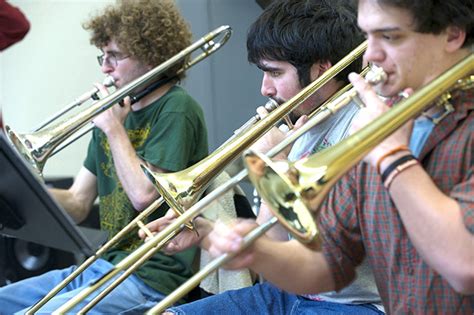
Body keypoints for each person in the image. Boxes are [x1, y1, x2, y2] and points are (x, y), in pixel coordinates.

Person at [205, 0, 474, 313]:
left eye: (389, 37)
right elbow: (326, 264)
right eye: (368, 36)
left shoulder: (382, 131)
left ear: (452, 35)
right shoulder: (388, 118)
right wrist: (255, 251)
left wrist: (391, 155)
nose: (370, 55)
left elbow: (465, 264)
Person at [146, 0, 385, 313]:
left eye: (274, 73)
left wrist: (280, 166)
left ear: (321, 70)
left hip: (353, 303)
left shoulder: (363, 122)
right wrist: (205, 231)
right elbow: (272, 246)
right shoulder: (300, 124)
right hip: (287, 293)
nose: (264, 89)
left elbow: (330, 258)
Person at [0, 0, 209, 313]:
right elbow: (78, 202)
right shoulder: (113, 117)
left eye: (115, 56)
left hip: (153, 275)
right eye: (103, 55)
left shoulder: (175, 109)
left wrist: (114, 130)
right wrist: (26, 190)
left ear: (151, 54)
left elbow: (145, 196)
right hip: (103, 265)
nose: (104, 68)